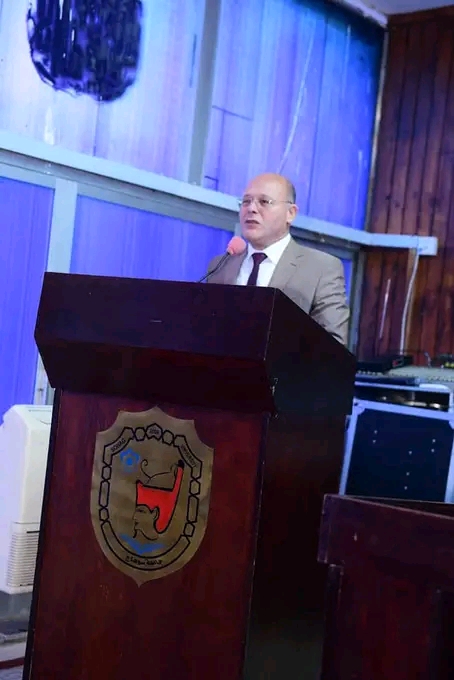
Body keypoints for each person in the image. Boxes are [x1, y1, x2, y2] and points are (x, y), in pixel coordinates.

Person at [205, 173, 350, 345]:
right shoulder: (220, 265)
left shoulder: (321, 269)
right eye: (246, 201)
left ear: (290, 213)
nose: (251, 209)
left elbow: (333, 345)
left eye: (264, 202)